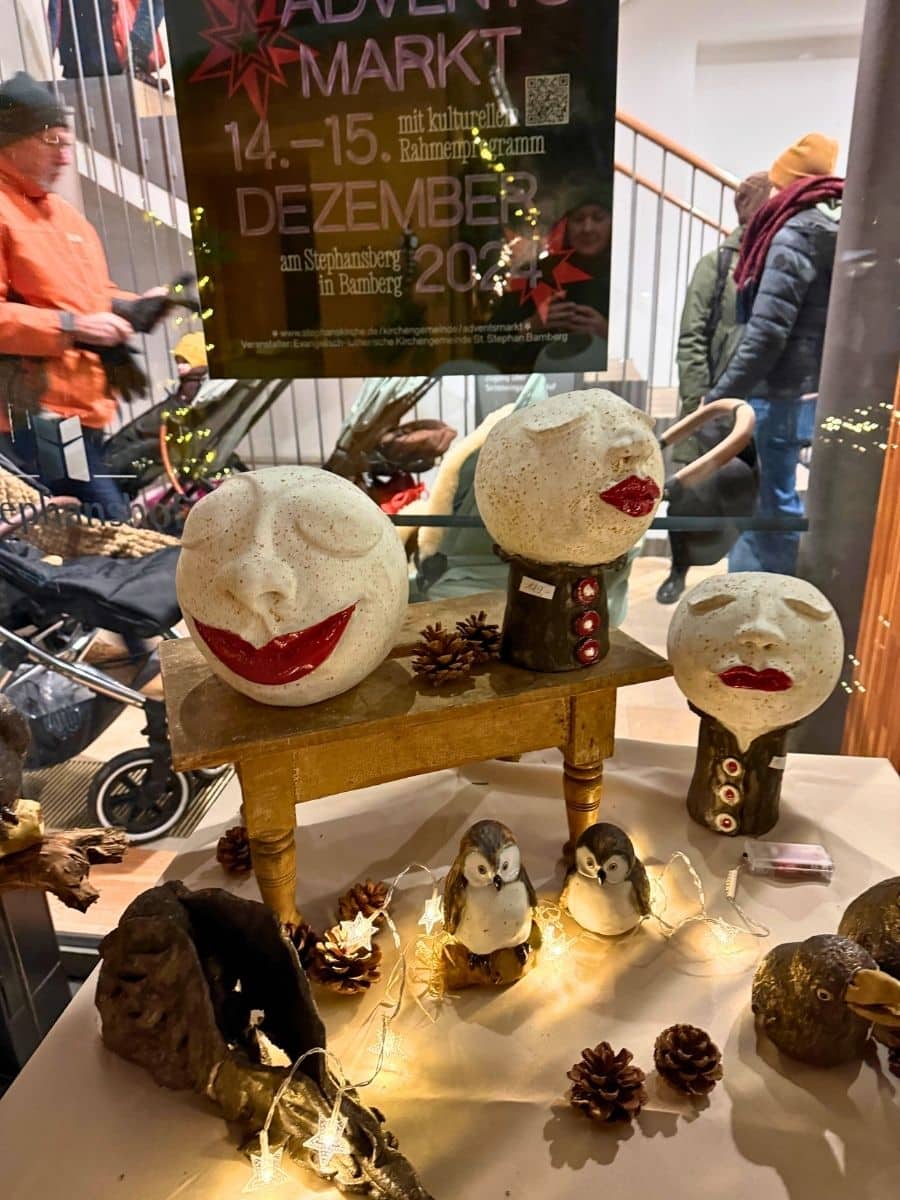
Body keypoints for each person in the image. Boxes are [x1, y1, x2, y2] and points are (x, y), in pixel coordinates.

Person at [0, 72, 168, 517]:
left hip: (80, 411)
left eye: (67, 142)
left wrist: (130, 308)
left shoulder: (65, 217)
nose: (65, 156)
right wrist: (73, 328)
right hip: (34, 418)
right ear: (11, 143)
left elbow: (86, 296)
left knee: (80, 536)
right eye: (52, 141)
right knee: (101, 528)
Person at [705, 133, 842, 575]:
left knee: (763, 504)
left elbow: (767, 332)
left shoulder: (793, 233)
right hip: (807, 387)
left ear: (788, 184)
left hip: (778, 391)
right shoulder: (833, 227)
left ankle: (759, 604)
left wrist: (720, 395)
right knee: (774, 499)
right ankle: (763, 598)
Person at [657, 171, 771, 603]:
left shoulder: (778, 260)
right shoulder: (719, 263)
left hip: (760, 399)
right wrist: (695, 397)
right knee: (688, 494)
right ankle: (678, 568)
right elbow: (692, 335)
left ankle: (742, 576)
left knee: (749, 491)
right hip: (713, 402)